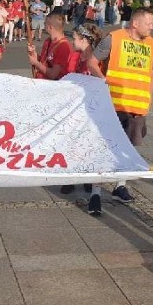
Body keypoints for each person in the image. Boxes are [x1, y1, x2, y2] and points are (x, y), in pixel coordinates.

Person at [91, 6, 153, 204]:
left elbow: (151, 73)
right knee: (105, 146)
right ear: (135, 23)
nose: (152, 27)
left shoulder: (152, 44)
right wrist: (102, 80)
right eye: (149, 23)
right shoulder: (114, 38)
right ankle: (96, 190)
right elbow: (93, 61)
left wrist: (149, 98)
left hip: (137, 106)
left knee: (128, 148)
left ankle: (120, 185)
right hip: (113, 103)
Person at [60, 25, 106, 212]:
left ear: (85, 39)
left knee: (94, 147)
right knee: (74, 144)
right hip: (76, 108)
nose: (73, 40)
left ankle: (94, 189)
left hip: (93, 109)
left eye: (76, 37)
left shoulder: (98, 59)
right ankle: (74, 177)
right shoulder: (73, 56)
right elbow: (69, 78)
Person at [27, 13, 71, 80]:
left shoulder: (63, 46)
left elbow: (53, 74)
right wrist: (34, 53)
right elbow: (44, 61)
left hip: (51, 86)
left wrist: (35, 63)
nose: (44, 26)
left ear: (50, 27)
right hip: (41, 80)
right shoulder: (48, 41)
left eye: (45, 24)